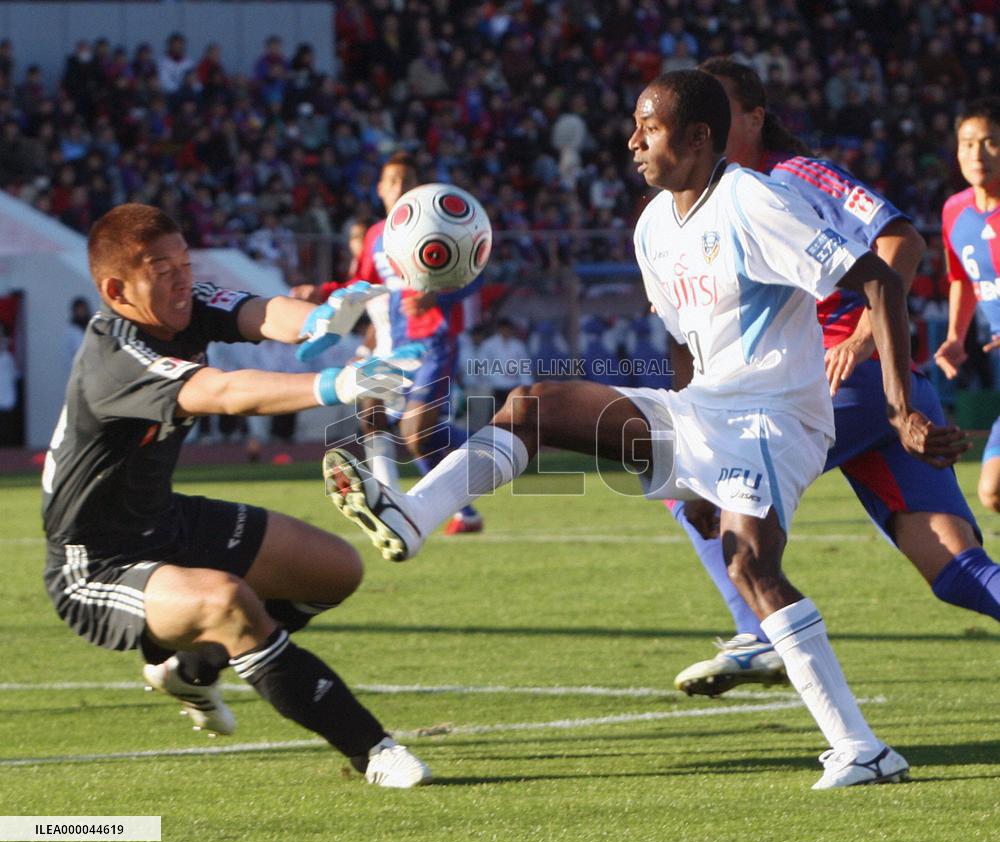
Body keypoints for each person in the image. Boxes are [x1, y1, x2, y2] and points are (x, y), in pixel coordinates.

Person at [323, 70, 963, 788]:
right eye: (634, 125)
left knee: (752, 565)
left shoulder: (756, 199)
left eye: (648, 128)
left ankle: (864, 751)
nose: (631, 141)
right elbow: (683, 346)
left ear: (697, 138)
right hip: (706, 412)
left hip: (775, 415)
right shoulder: (653, 224)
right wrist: (689, 467)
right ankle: (411, 515)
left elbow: (878, 278)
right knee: (535, 406)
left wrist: (904, 409)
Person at [41, 203, 430, 788]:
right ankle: (371, 750)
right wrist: (338, 382)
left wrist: (327, 317)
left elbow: (261, 312)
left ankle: (192, 668)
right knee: (227, 602)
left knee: (334, 570)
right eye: (161, 268)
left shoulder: (182, 304)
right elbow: (222, 392)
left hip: (164, 521)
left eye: (184, 262)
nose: (181, 277)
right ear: (117, 290)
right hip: (96, 561)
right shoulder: (115, 357)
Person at [669, 61, 999, 698]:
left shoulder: (792, 174)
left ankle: (759, 635)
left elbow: (901, 244)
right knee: (957, 570)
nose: (698, 130)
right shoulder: (712, 200)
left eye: (717, 113)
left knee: (694, 478)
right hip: (878, 393)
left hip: (848, 378)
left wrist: (859, 336)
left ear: (756, 118)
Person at [299, 153, 486, 535]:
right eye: (393, 181)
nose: (400, 187)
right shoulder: (374, 237)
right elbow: (361, 287)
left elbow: (478, 272)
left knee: (417, 434)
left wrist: (441, 298)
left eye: (407, 180)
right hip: (398, 345)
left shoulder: (440, 224)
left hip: (435, 340)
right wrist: (321, 291)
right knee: (381, 417)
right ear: (381, 189)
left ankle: (496, 451)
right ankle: (398, 498)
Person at [934, 97, 1000, 513]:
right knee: (992, 491)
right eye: (968, 142)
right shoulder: (954, 211)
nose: (978, 153)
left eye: (991, 142)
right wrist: (956, 337)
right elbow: (962, 278)